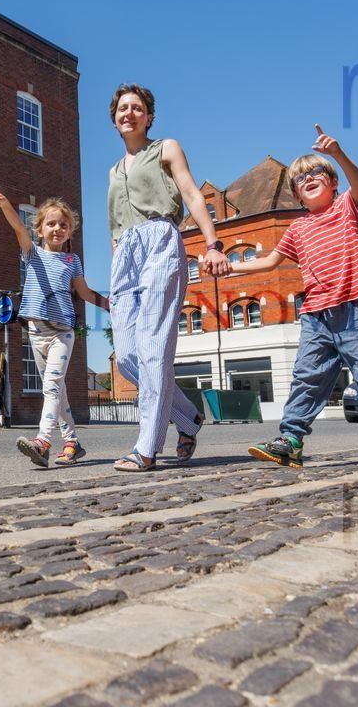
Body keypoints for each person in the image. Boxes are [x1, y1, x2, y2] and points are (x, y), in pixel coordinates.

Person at [229, 125, 358, 466]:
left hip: (355, 304)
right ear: (297, 196)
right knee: (307, 377)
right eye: (301, 178)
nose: (310, 178)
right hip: (316, 314)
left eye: (318, 173)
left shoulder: (347, 207)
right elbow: (269, 261)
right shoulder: (296, 228)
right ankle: (291, 440)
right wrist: (228, 269)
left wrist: (338, 154)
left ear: (332, 183)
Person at [106, 84, 230, 473]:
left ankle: (147, 446)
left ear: (149, 117)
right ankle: (189, 417)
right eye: (122, 109)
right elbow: (114, 227)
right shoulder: (113, 170)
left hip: (160, 240)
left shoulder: (166, 148)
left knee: (154, 345)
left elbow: (193, 195)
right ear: (114, 118)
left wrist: (212, 243)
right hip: (123, 253)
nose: (129, 113)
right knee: (127, 355)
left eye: (137, 108)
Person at [0, 185, 108, 466]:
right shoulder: (33, 254)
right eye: (51, 223)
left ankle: (42, 443)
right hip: (36, 332)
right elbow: (18, 229)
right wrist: (5, 204)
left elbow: (86, 293)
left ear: (70, 232)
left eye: (64, 225)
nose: (58, 228)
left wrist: (112, 305)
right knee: (58, 390)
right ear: (40, 230)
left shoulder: (72, 260)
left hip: (62, 332)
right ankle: (72, 443)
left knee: (51, 387)